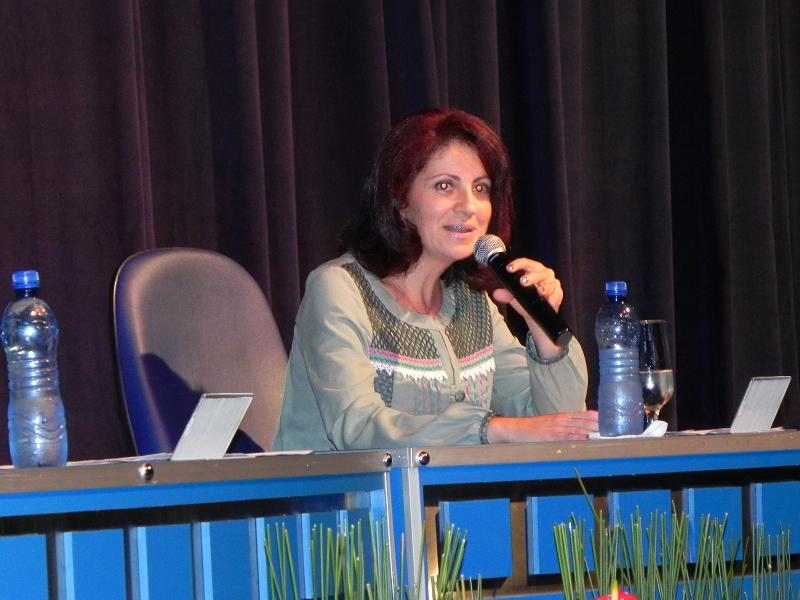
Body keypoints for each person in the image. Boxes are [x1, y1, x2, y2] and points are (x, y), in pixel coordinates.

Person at [274, 108, 597, 451]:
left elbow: (558, 426)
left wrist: (541, 326)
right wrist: (490, 429)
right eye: (445, 186)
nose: (469, 206)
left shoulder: (472, 302)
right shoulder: (339, 288)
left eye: (481, 188)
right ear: (401, 201)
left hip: (449, 488)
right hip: (342, 487)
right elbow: (357, 427)